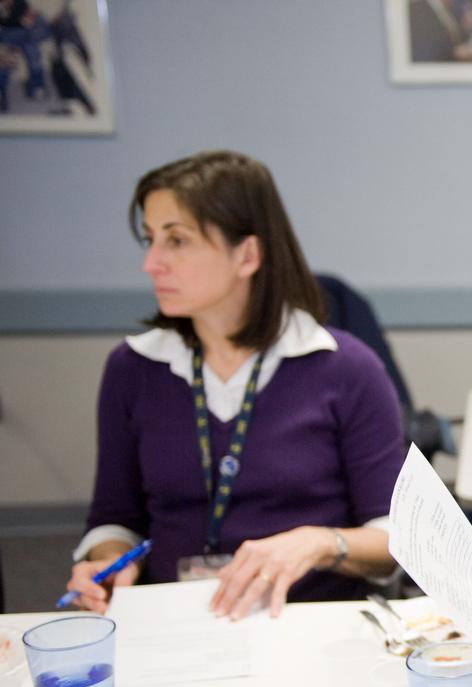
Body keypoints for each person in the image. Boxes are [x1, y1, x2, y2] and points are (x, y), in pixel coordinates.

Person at [66, 151, 405, 620]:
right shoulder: (134, 368)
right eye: (150, 240)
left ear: (247, 254)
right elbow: (114, 521)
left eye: (177, 240)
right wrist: (103, 563)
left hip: (306, 622)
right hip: (175, 622)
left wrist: (321, 543)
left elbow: (396, 540)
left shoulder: (345, 369)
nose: (151, 263)